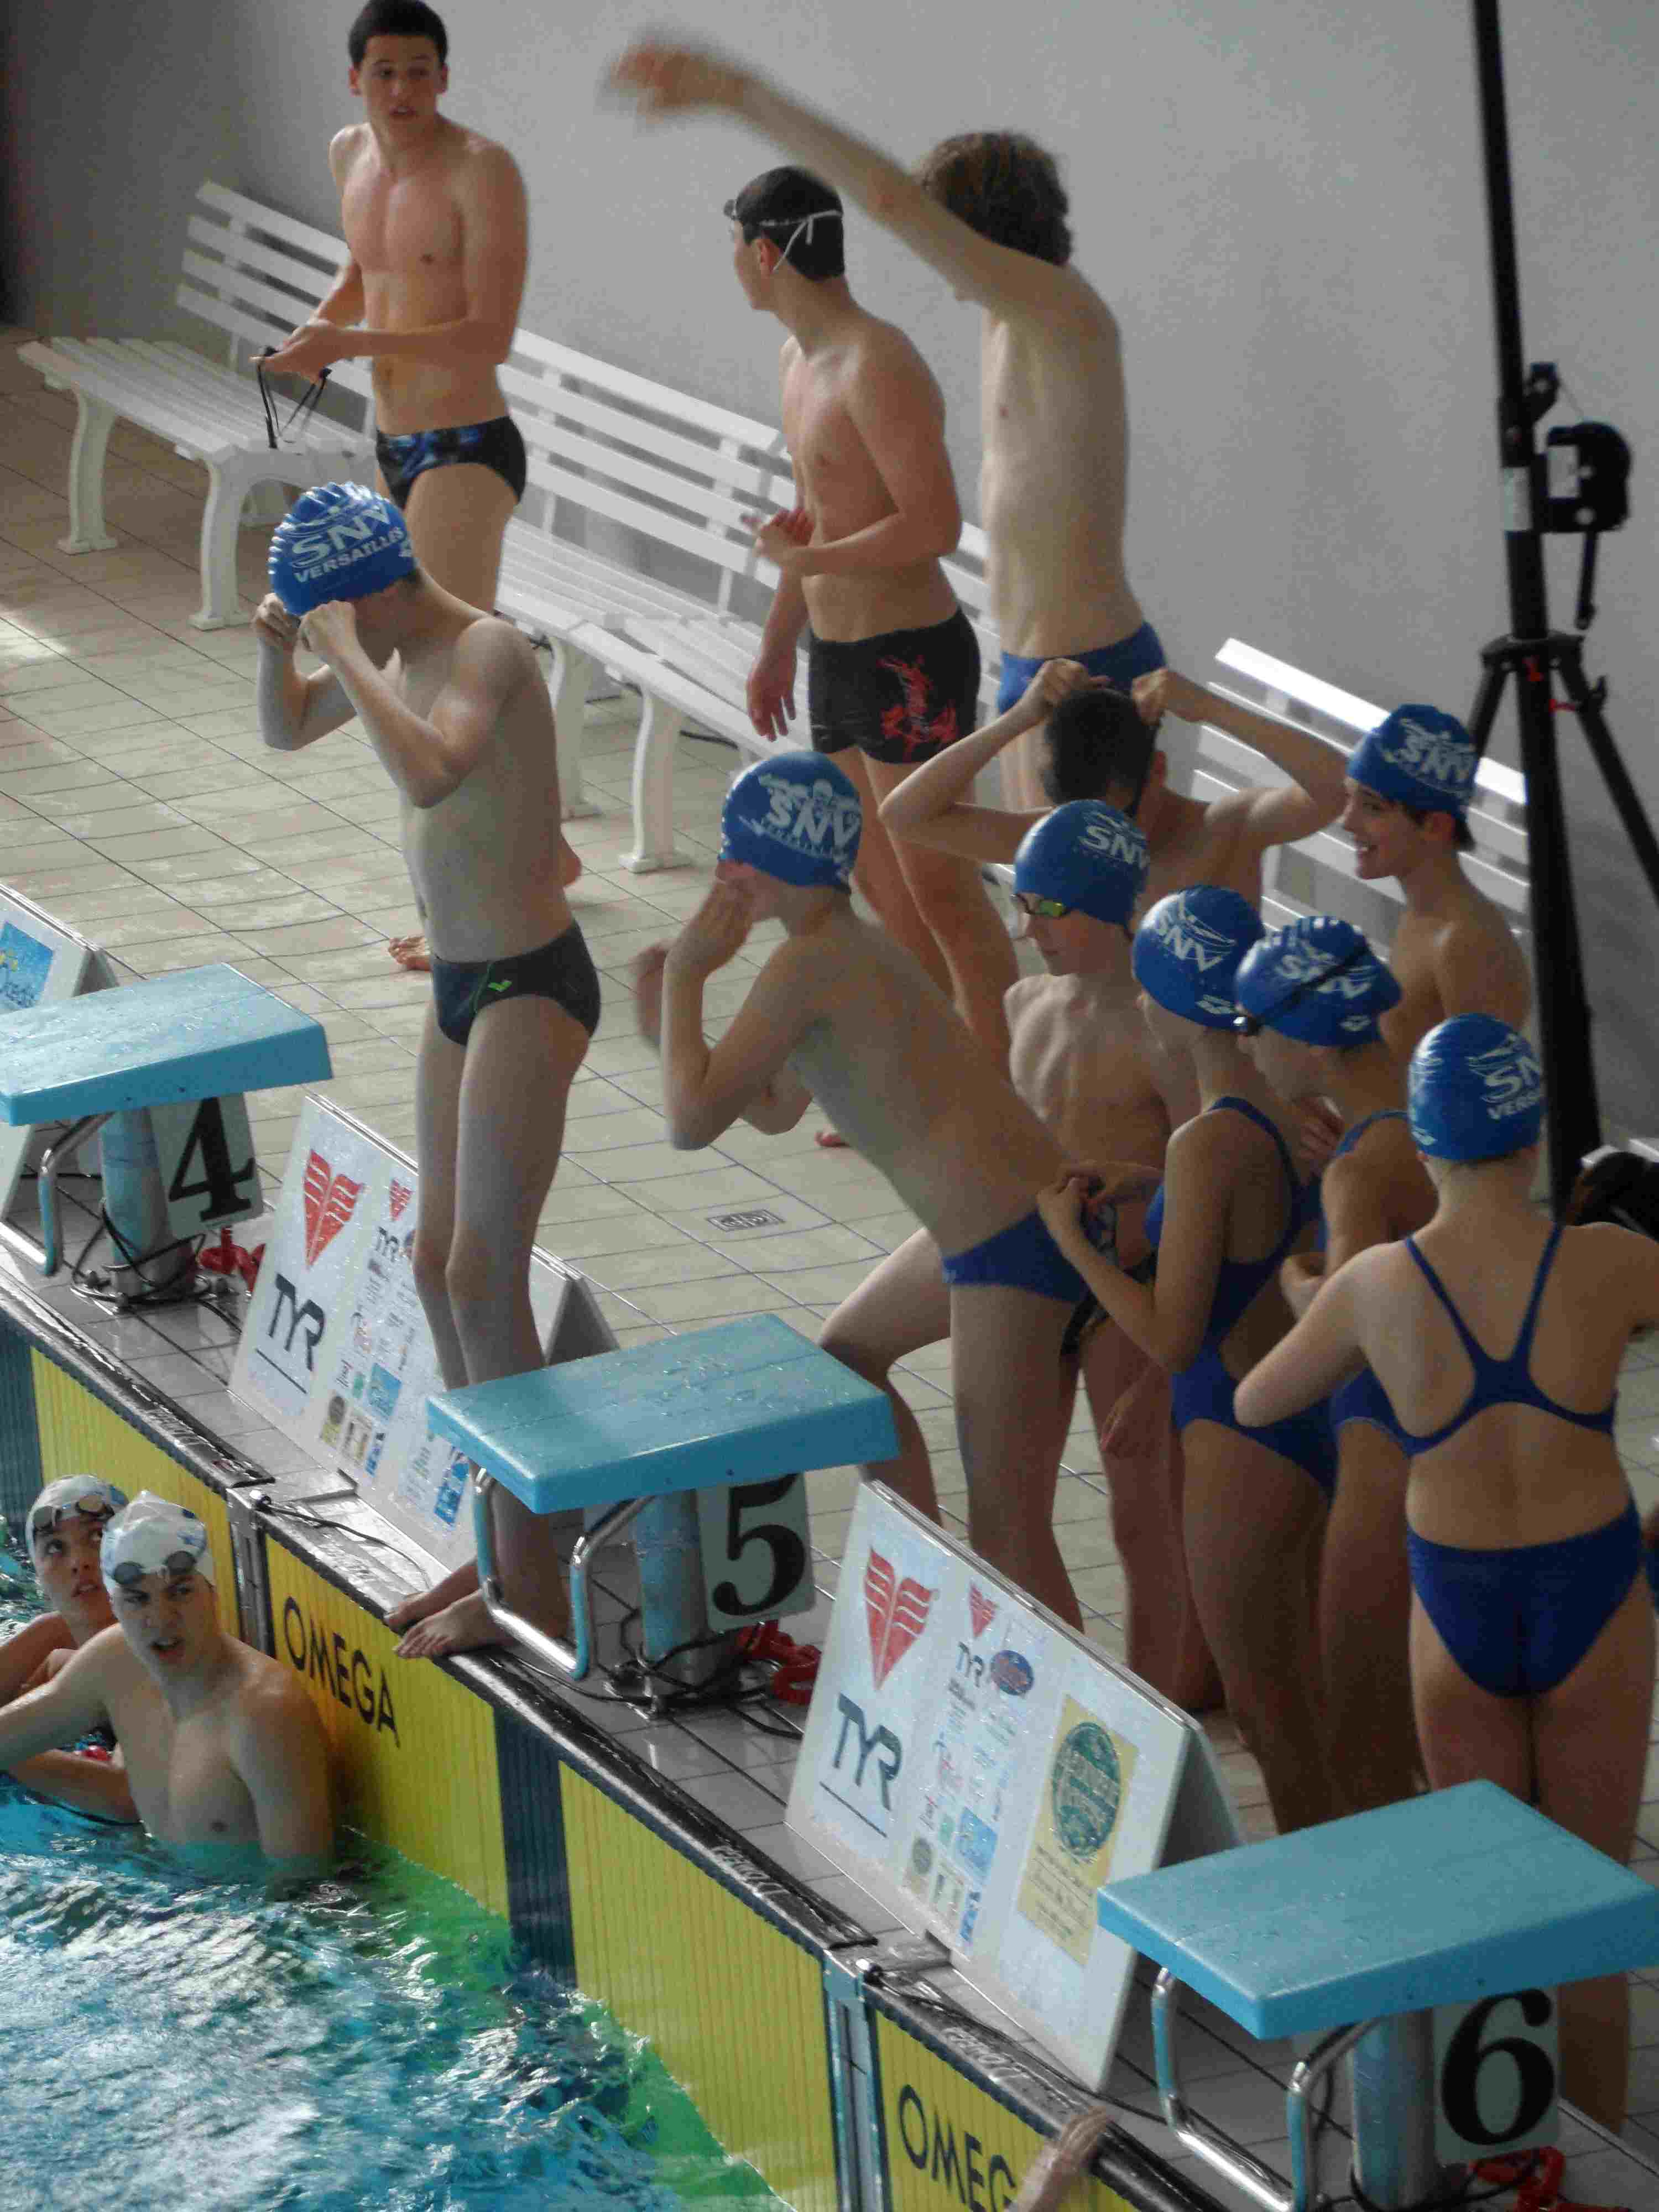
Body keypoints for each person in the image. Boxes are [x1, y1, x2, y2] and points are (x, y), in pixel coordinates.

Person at [1235, 1018, 1656, 2130]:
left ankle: (1507, 2156)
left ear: (1422, 1144)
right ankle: (1596, 2180)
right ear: (1535, 1139)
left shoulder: (1378, 1283)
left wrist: (1319, 1302)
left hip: (1458, 1604)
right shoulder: (1613, 1263)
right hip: (1594, 1586)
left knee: (1493, 1910)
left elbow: (1258, 1401)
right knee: (1591, 1910)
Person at [607, 38, 1163, 813]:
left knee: (1084, 890)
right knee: (1037, 885)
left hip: (1091, 665)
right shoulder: (1009, 322)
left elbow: (891, 201)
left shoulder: (1063, 315)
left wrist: (741, 94)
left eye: (945, 236)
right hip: (1030, 668)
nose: (932, 260)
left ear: (978, 231)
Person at [633, 750, 1113, 1626]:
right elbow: (772, 1110)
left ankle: (1050, 1704)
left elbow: (689, 1124)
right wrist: (669, 1020)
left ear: (772, 861)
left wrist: (687, 978)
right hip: (1007, 1223)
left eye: (734, 855)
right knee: (848, 1358)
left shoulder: (808, 966)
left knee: (1009, 1530)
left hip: (1013, 1245)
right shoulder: (842, 950)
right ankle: (921, 1564)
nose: (721, 873)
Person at [256, 482, 597, 1662]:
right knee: (432, 1260)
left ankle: (534, 1582)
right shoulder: (396, 650)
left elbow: (435, 771)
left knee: (482, 1274)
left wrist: (346, 652)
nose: (337, 638)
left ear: (372, 592)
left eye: (337, 617)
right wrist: (282, 652)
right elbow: (284, 730)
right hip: (460, 987)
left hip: (532, 983)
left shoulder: (487, 647)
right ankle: (507, 1542)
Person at [818, 800, 1214, 1702]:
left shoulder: (1161, 1031)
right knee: (845, 1354)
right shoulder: (1024, 1001)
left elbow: (1205, 1191)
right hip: (1012, 1244)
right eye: (1023, 905)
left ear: (1110, 907)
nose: (1029, 928)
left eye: (1050, 910)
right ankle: (922, 1570)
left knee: (1140, 1522)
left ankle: (1144, 1710)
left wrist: (1167, 1371)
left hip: (1121, 1282)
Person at [268, 0, 578, 966]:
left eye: (419, 70)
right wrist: (318, 334)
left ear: (445, 76)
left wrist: (350, 342)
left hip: (467, 445)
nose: (402, 89)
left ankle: (464, 916)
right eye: (384, 71)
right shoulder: (349, 155)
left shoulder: (483, 171)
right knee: (418, 670)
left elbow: (490, 334)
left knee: (440, 679)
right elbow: (367, 271)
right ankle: (549, 854)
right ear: (354, 78)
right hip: (396, 442)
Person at [1037, 888, 1337, 1833]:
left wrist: (1075, 1244)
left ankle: (1326, 1901)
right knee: (1312, 1699)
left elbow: (1171, 1334)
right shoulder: (1284, 1112)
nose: (1140, 1001)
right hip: (1301, 1414)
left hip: (1238, 1438)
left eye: (1148, 987)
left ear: (1177, 1005)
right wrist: (1154, 1187)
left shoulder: (1207, 1141)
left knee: (1271, 1720)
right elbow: (1250, 1228)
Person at [730, 166, 1016, 1062]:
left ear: (765, 254)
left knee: (943, 893)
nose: (733, 262)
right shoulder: (798, 361)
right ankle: (935, 1074)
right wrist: (779, 643)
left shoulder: (876, 362)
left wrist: (810, 562)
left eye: (736, 244)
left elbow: (933, 525)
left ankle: (1002, 1084)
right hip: (837, 656)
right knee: (885, 889)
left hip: (909, 658)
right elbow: (815, 514)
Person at [1232, 915, 1433, 1813]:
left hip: (1383, 1461)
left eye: (1252, 1025)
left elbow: (1343, 1327)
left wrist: (1299, 1276)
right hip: (1459, 1442)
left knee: (1365, 1743)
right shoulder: (1427, 1114)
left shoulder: (1361, 1170)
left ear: (1310, 1038)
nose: (1245, 1047)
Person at [0, 1496, 333, 1874]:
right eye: (138, 1599)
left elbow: (303, 1885)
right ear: (115, 1607)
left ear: (213, 1592)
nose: (161, 1619)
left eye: (180, 1592)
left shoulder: (265, 1713)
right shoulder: (113, 1661)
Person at [881, 661, 1348, 912]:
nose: (1105, 838)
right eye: (1082, 818)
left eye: (1120, 815)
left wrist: (1212, 708)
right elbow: (904, 816)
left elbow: (1337, 788)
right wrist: (1018, 718)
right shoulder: (1070, 839)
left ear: (1158, 770)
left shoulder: (1224, 833)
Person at [1340, 704, 1531, 1055]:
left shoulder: (1465, 945)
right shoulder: (1425, 912)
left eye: (1372, 807)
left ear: (1435, 826)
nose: (1347, 822)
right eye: (1349, 799)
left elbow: (1478, 1084)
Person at [0, 1477, 138, 1823]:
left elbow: (127, 1798)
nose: (80, 1562)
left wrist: (13, 1751)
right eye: (55, 1548)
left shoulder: (150, 1654)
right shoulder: (57, 1648)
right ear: (38, 1575)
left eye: (97, 1537)